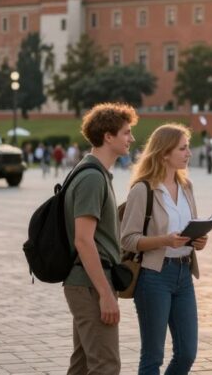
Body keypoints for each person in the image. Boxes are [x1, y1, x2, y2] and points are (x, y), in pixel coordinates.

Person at [121, 124, 208, 375]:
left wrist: (197, 241)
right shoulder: (143, 189)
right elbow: (128, 239)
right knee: (153, 356)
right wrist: (164, 241)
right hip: (153, 276)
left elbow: (190, 227)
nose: (188, 153)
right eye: (182, 148)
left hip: (184, 275)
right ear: (164, 153)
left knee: (187, 353)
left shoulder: (187, 186)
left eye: (187, 147)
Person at [63, 103, 137, 375]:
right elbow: (83, 240)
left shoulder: (92, 171)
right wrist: (106, 294)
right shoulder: (93, 178)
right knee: (106, 366)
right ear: (108, 136)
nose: (131, 139)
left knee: (83, 366)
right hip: (91, 283)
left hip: (86, 281)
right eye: (126, 133)